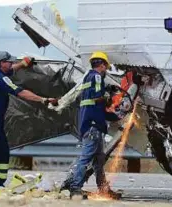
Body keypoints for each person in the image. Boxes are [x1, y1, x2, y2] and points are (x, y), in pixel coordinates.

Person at [0, 51, 58, 190]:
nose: (11, 64)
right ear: (2, 63)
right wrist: (44, 100)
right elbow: (20, 92)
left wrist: (22, 64)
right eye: (9, 62)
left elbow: (12, 70)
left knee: (2, 151)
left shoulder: (0, 73)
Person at [68, 51, 117, 199]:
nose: (106, 70)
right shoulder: (96, 77)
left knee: (98, 161)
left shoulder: (87, 78)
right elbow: (97, 98)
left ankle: (103, 189)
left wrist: (112, 115)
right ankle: (75, 187)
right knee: (86, 158)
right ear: (101, 65)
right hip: (93, 126)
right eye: (106, 67)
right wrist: (109, 95)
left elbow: (95, 106)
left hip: (92, 124)